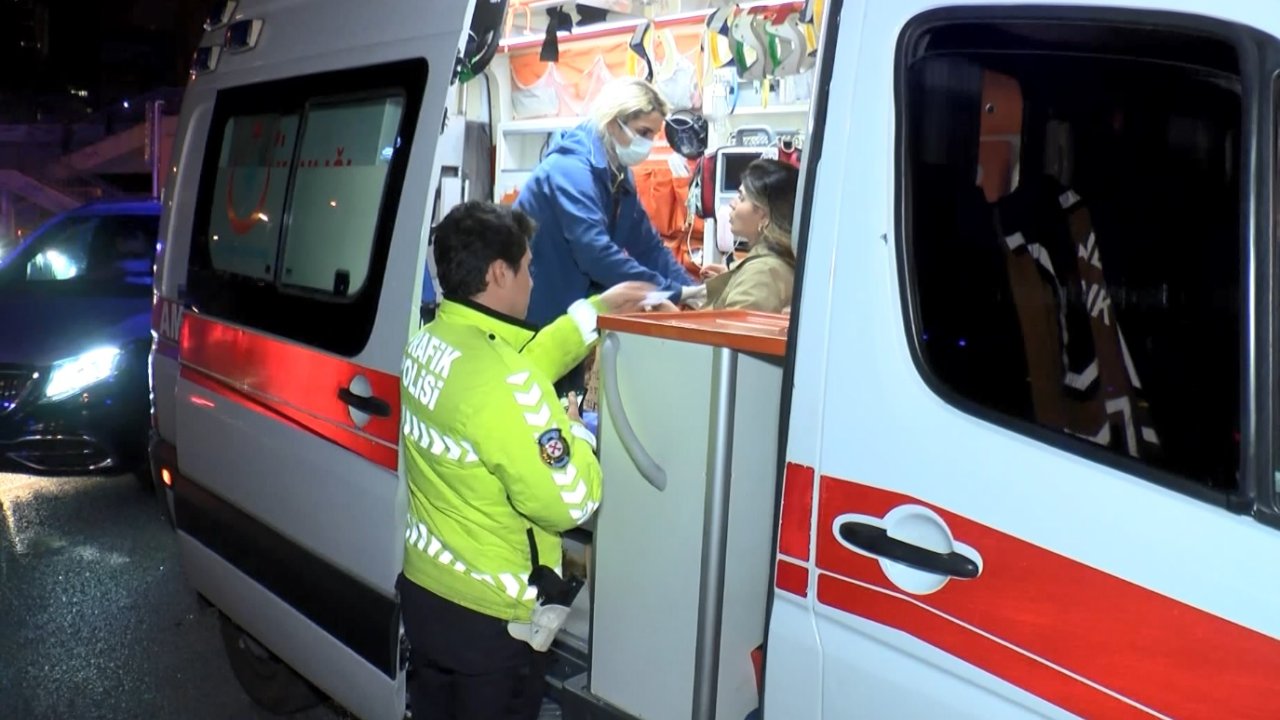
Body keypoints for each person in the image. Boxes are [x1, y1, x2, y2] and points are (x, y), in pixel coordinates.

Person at [397, 200, 656, 720]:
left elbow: (519, 363)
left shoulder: (431, 342)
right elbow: (572, 501)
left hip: (429, 598)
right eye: (528, 268)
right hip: (491, 623)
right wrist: (576, 432)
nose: (533, 282)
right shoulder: (503, 381)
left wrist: (596, 311)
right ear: (499, 272)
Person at [514, 76, 696, 337]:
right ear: (613, 123)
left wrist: (693, 290)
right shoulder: (570, 171)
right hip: (537, 308)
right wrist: (670, 290)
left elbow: (648, 247)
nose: (648, 143)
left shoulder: (618, 174)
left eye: (653, 135)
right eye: (643, 132)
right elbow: (596, 254)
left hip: (574, 311)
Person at [695, 158, 799, 313]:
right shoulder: (767, 267)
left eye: (741, 198)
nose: (732, 203)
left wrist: (672, 318)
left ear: (764, 216)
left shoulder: (762, 273)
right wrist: (736, 277)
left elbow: (728, 334)